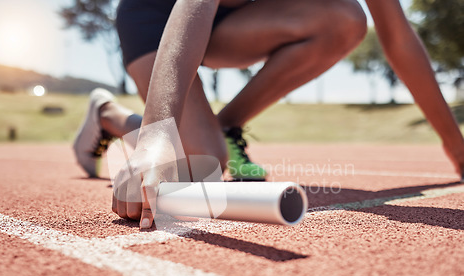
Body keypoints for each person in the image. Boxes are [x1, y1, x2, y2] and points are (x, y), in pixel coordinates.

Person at [73, 0, 464, 229]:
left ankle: (223, 126)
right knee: (201, 163)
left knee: (346, 18)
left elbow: (398, 39)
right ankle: (108, 113)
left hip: (240, 21)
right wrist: (157, 136)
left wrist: (454, 141)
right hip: (160, 18)